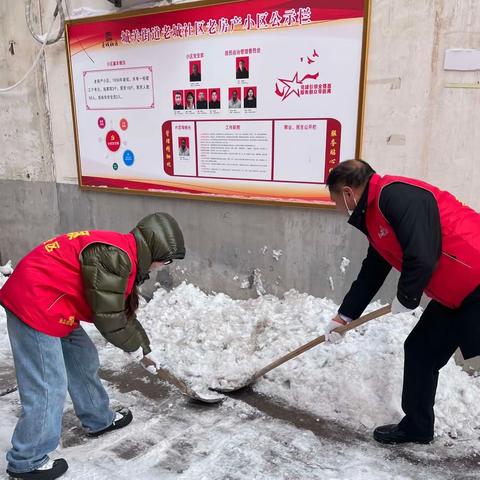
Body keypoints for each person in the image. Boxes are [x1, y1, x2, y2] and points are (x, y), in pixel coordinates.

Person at [0, 213, 185, 479]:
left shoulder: (124, 252)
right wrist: (134, 349)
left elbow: (120, 312)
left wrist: (146, 349)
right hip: (35, 302)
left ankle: (98, 419)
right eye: (166, 261)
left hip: (55, 301)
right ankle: (27, 460)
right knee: (48, 384)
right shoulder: (117, 257)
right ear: (155, 251)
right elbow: (109, 318)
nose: (162, 267)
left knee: (83, 358)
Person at [324, 159, 480, 445]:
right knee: (421, 349)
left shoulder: (397, 196)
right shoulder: (375, 214)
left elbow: (422, 253)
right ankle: (417, 427)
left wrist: (407, 296)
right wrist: (344, 316)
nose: (336, 208)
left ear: (348, 193)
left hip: (476, 281)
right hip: (455, 294)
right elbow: (373, 270)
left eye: (335, 200)